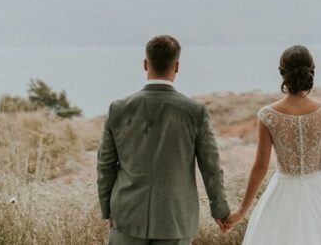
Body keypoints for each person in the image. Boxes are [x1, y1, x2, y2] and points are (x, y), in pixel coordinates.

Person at [97, 34, 232, 245]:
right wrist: (220, 210)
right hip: (175, 219)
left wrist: (107, 210)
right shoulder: (195, 111)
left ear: (145, 64)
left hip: (127, 216)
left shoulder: (119, 109)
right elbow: (211, 167)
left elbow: (105, 166)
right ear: (176, 66)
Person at [227, 45, 321, 244]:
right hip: (320, 192)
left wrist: (241, 211)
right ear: (312, 71)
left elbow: (260, 167)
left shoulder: (268, 115)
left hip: (282, 193)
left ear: (282, 73)